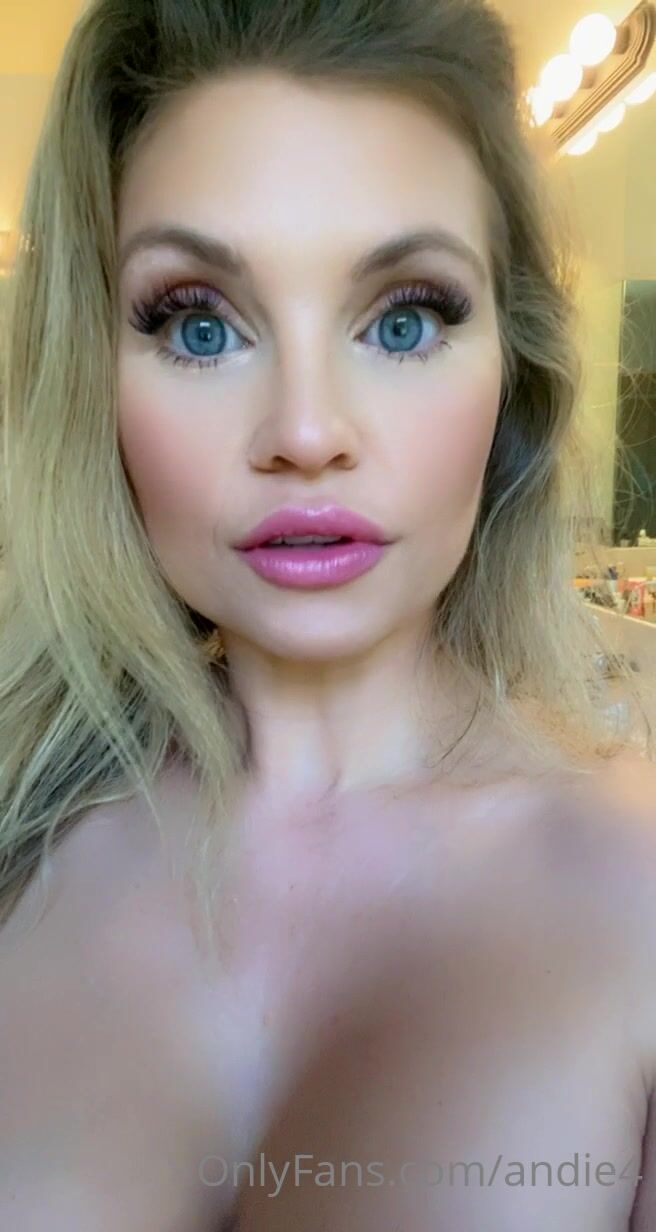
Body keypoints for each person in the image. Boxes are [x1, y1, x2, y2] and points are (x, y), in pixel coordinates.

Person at [0, 0, 655, 1228]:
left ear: (512, 370)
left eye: (402, 319)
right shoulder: (19, 838)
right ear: (92, 375)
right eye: (199, 324)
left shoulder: (637, 891)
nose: (305, 431)